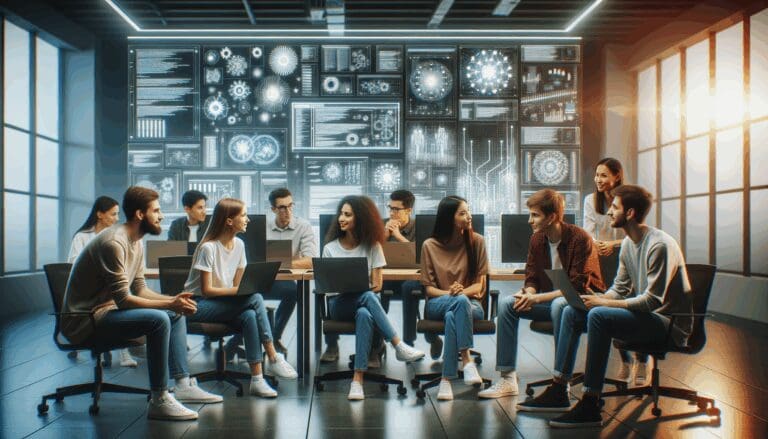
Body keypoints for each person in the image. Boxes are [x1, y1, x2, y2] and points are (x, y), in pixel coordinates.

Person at [520, 185, 692, 429]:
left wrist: (602, 302)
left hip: (668, 323)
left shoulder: (659, 245)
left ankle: (591, 402)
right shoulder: (630, 245)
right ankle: (560, 387)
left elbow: (653, 301)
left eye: (614, 207)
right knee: (571, 309)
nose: (609, 212)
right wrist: (595, 299)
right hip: (645, 317)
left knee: (600, 314)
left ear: (630, 213)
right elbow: (619, 290)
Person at [61, 186, 222, 421]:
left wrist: (173, 301)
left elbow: (140, 289)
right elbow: (125, 300)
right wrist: (169, 305)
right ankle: (159, 399)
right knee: (158, 319)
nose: (162, 216)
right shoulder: (114, 243)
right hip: (85, 320)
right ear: (139, 215)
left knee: (174, 314)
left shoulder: (135, 241)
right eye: (156, 211)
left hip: (106, 311)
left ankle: (183, 384)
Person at [479, 189, 604, 399]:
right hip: (552, 300)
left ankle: (560, 382)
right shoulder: (537, 239)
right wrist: (528, 293)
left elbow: (575, 287)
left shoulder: (579, 238)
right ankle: (508, 378)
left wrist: (536, 298)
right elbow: (532, 277)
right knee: (508, 304)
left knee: (559, 305)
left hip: (584, 303)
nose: (529, 220)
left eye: (535, 215)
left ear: (552, 217)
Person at [183, 198, 298, 398]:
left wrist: (244, 290)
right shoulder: (208, 248)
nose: (247, 220)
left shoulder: (239, 245)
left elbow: (237, 286)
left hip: (220, 305)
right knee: (254, 299)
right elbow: (207, 290)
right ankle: (272, 355)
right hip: (196, 305)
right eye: (243, 215)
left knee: (249, 316)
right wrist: (242, 292)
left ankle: (257, 380)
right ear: (229, 221)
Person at [322, 195, 424, 400]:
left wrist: (358, 289)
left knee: (364, 313)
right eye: (341, 213)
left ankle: (357, 380)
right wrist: (357, 289)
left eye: (347, 214)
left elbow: (378, 284)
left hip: (363, 304)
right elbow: (328, 288)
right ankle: (397, 344)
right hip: (338, 304)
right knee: (368, 296)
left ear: (360, 218)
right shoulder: (330, 248)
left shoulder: (373, 246)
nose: (341, 218)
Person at [583, 158, 647, 384]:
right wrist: (597, 245)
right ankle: (625, 360)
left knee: (636, 304)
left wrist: (614, 245)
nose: (598, 180)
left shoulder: (628, 199)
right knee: (610, 305)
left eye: (604, 175)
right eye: (597, 175)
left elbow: (637, 233)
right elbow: (587, 230)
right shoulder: (591, 200)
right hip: (602, 258)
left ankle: (642, 361)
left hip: (628, 254)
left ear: (616, 176)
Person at [419, 196, 488, 401]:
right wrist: (452, 293)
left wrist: (461, 293)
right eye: (462, 213)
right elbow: (429, 290)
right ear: (449, 218)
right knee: (457, 304)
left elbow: (479, 286)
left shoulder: (477, 242)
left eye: (468, 211)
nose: (469, 216)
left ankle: (446, 380)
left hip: (471, 304)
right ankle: (466, 360)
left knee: (453, 315)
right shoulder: (429, 245)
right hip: (437, 303)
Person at [67, 196, 137, 368]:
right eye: (113, 214)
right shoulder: (82, 237)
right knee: (119, 299)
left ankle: (124, 350)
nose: (117, 219)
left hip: (107, 287)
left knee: (123, 294)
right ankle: (124, 350)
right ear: (99, 214)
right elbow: (73, 266)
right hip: (87, 291)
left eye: (118, 214)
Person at [261, 187, 317, 358]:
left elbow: (310, 260)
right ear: (273, 209)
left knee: (293, 292)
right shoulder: (262, 227)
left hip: (284, 277)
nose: (288, 211)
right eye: (282, 207)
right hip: (262, 275)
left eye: (290, 205)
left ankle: (274, 336)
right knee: (246, 293)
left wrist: (281, 263)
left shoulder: (303, 226)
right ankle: (239, 341)